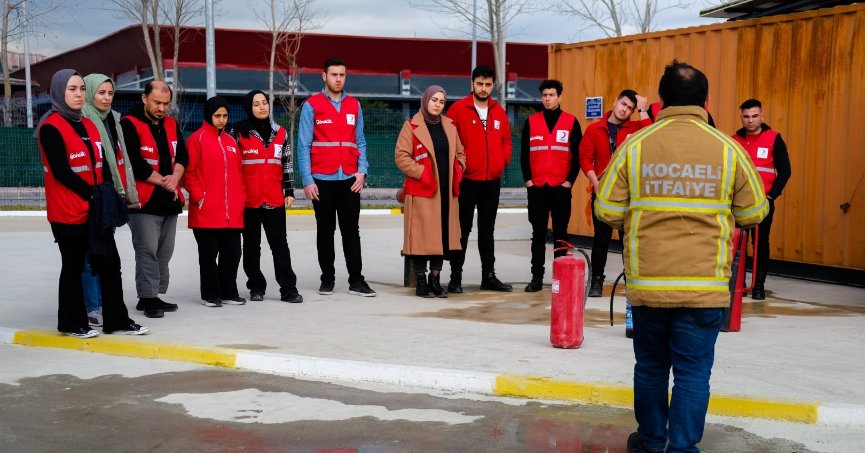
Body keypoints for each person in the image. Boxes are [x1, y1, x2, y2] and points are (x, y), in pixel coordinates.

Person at [594, 60, 767, 453]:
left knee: (651, 368)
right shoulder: (729, 149)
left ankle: (652, 441)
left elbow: (604, 208)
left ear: (661, 100)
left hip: (649, 287)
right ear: (705, 101)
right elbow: (755, 211)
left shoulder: (634, 146)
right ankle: (683, 448)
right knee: (693, 373)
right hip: (704, 289)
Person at [36, 69, 149, 338]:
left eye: (81, 89)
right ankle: (71, 323)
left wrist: (107, 191)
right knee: (74, 267)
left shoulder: (88, 124)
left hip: (96, 210)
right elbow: (62, 171)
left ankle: (117, 320)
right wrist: (92, 193)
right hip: (68, 212)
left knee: (110, 265)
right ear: (59, 92)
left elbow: (103, 163)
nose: (78, 94)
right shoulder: (50, 126)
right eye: (72, 89)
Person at [297, 57, 376, 297]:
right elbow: (303, 145)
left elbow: (360, 140)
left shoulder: (354, 105)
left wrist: (362, 170)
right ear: (324, 76)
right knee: (325, 230)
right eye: (334, 75)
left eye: (342, 75)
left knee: (352, 230)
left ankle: (356, 280)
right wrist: (307, 180)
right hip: (322, 180)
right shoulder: (311, 106)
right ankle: (327, 279)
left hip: (350, 179)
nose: (338, 79)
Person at [121, 80, 187, 318]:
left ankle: (153, 294)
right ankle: (148, 297)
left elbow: (182, 156)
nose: (161, 108)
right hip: (144, 201)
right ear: (144, 99)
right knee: (147, 250)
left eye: (166, 104)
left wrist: (175, 177)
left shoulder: (171, 123)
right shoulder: (129, 123)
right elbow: (134, 162)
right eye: (157, 102)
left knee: (164, 252)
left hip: (169, 200)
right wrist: (165, 181)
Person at [445, 65, 513, 293]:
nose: (483, 89)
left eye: (487, 84)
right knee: (462, 230)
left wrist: (502, 162)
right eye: (479, 84)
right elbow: (449, 141)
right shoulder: (458, 109)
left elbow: (506, 139)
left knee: (487, 230)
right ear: (472, 84)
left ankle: (489, 277)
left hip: (491, 181)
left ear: (493, 85)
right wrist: (459, 169)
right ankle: (456, 277)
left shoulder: (498, 111)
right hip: (467, 180)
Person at [80, 73, 141, 326]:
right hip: (91, 195)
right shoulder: (83, 119)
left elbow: (121, 158)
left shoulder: (114, 120)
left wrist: (126, 191)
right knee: (89, 256)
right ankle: (92, 306)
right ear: (90, 93)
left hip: (110, 192)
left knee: (105, 255)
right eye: (101, 93)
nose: (106, 98)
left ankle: (103, 303)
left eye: (110, 93)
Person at [395, 86, 466, 298]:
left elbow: (461, 153)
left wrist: (459, 169)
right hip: (423, 191)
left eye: (441, 101)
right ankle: (422, 282)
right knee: (421, 237)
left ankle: (436, 280)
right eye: (434, 99)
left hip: (446, 191)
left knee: (441, 236)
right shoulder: (411, 126)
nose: (437, 104)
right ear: (426, 100)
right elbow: (401, 156)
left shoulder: (450, 127)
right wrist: (421, 172)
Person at [579, 89, 651, 297]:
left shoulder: (637, 127)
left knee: (628, 240)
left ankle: (631, 280)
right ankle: (596, 281)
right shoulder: (595, 129)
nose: (625, 110)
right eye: (623, 104)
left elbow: (651, 137)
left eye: (630, 108)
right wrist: (595, 182)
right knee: (600, 239)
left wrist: (643, 110)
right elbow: (585, 157)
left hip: (628, 195)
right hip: (602, 194)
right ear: (615, 101)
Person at [233, 90, 303, 303]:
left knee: (280, 245)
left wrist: (289, 191)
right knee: (251, 247)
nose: (262, 107)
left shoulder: (281, 132)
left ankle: (288, 289)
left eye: (264, 103)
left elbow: (287, 163)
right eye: (256, 104)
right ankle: (256, 286)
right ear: (249, 108)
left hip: (274, 199)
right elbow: (234, 167)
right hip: (248, 201)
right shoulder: (238, 132)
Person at [183, 96, 247, 307]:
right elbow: (188, 173)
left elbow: (238, 174)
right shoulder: (196, 139)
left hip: (231, 213)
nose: (221, 120)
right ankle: (210, 294)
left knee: (233, 254)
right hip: (206, 211)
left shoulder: (231, 142)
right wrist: (200, 197)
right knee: (208, 257)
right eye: (217, 115)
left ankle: (228, 292)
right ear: (208, 115)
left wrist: (240, 201)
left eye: (225, 116)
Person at [519, 79, 582, 292]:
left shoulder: (571, 122)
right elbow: (524, 154)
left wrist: (569, 182)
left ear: (560, 97)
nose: (547, 99)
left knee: (560, 233)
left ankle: (560, 278)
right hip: (537, 188)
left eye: (552, 95)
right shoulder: (532, 121)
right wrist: (528, 181)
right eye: (544, 95)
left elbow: (578, 156)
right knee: (537, 234)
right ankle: (536, 278)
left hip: (560, 188)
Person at [732, 99, 791, 300]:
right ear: (741, 117)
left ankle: (759, 285)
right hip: (737, 203)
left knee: (760, 243)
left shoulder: (774, 138)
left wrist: (770, 196)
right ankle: (738, 283)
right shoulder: (734, 140)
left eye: (754, 116)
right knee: (737, 242)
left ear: (762, 116)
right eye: (746, 116)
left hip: (763, 203)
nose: (750, 121)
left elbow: (785, 171)